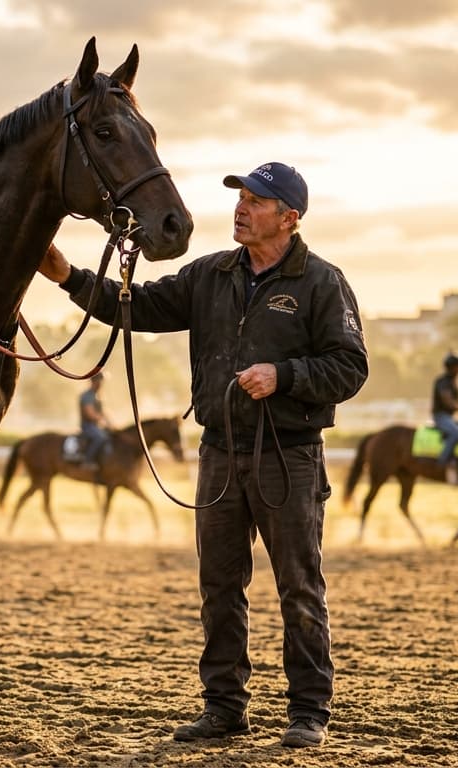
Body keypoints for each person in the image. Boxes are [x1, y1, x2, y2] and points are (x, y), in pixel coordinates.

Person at [38, 162, 368, 749]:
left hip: (287, 457)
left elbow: (350, 366)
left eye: (257, 201)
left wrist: (284, 375)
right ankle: (224, 709)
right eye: (240, 197)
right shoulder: (208, 276)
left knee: (299, 585)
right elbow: (132, 306)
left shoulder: (322, 282)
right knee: (218, 587)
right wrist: (68, 276)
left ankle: (309, 711)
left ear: (289, 219)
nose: (241, 208)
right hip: (217, 453)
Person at [432, 352, 458, 485]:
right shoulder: (442, 382)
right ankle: (442, 461)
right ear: (451, 367)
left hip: (450, 417)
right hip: (440, 416)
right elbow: (448, 401)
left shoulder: (454, 382)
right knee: (457, 433)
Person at [77, 372, 110, 470]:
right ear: (94, 381)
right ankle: (87, 461)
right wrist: (102, 420)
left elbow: (104, 413)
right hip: (88, 426)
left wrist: (111, 424)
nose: (101, 384)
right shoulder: (87, 396)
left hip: (96, 426)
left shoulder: (98, 396)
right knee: (100, 437)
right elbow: (90, 414)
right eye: (100, 381)